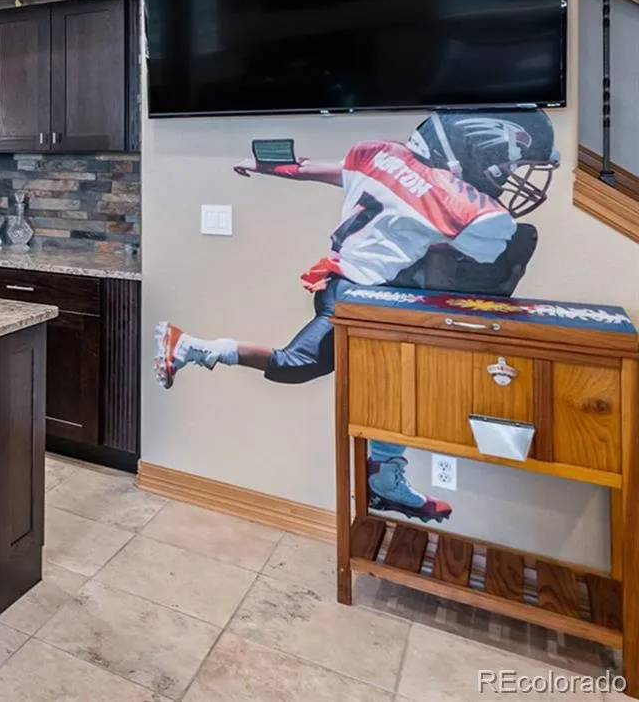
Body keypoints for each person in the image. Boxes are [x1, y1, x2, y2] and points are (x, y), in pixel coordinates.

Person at [154, 110, 559, 522]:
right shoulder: (463, 204)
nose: (511, 177)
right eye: (508, 166)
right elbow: (491, 245)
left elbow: (321, 170)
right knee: (299, 363)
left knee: (393, 382)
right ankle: (191, 346)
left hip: (346, 284)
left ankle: (384, 474)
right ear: (474, 152)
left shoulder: (380, 154)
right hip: (362, 298)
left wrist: (268, 166)